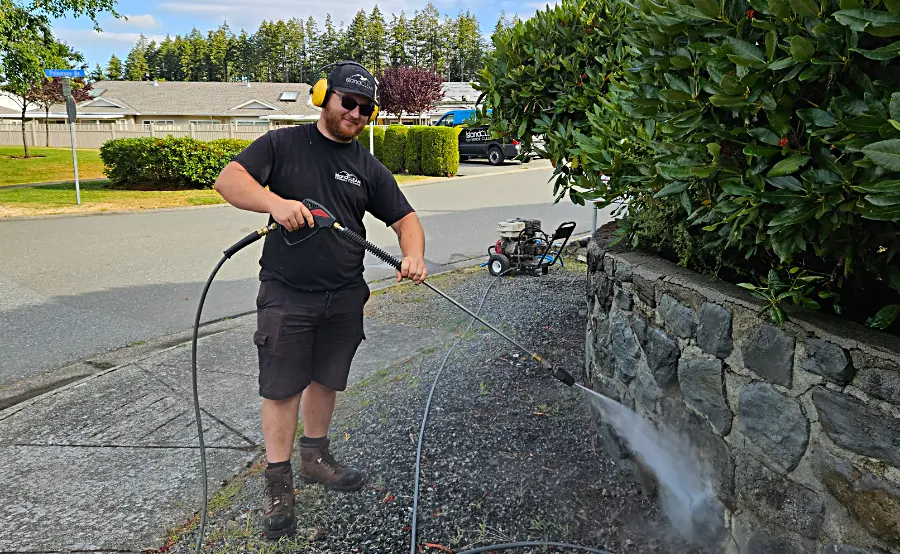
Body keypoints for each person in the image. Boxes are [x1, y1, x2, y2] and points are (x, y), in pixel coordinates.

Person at [213, 60, 427, 540]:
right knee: (282, 386)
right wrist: (275, 203)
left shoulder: (367, 167)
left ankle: (315, 458)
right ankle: (278, 483)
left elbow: (405, 220)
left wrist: (412, 254)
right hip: (287, 293)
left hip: (344, 294)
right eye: (348, 101)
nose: (355, 113)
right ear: (323, 96)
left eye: (366, 108)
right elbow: (229, 181)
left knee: (326, 379)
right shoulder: (282, 144)